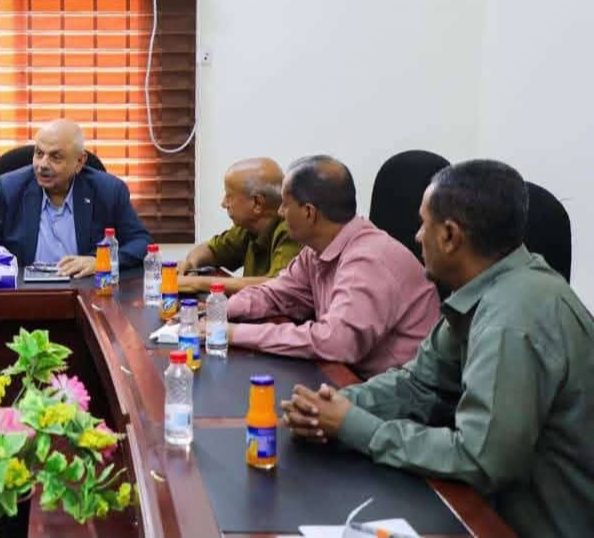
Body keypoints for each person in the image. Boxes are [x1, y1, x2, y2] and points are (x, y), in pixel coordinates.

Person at [281, 160, 594, 537]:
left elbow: (481, 458)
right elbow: (419, 383)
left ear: (449, 236)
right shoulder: (488, 290)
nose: (416, 236)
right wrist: (334, 404)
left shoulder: (511, 318)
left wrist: (356, 426)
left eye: (423, 224)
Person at [222, 155, 439, 377]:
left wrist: (234, 333)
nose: (280, 213)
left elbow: (335, 342)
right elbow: (275, 294)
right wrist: (218, 312)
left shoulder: (367, 260)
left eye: (285, 205)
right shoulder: (316, 250)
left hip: (395, 389)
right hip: (351, 377)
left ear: (309, 212)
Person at [0, 119, 151, 277]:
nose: (42, 165)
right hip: (24, 293)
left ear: (79, 162)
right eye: (39, 153)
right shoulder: (8, 188)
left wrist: (101, 261)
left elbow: (141, 243)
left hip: (85, 292)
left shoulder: (109, 191)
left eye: (55, 157)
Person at [177, 158, 301, 294]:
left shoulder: (291, 230)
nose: (223, 204)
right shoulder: (248, 228)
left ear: (257, 203)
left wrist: (195, 283)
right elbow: (210, 249)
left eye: (229, 196)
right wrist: (191, 264)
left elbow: (276, 286)